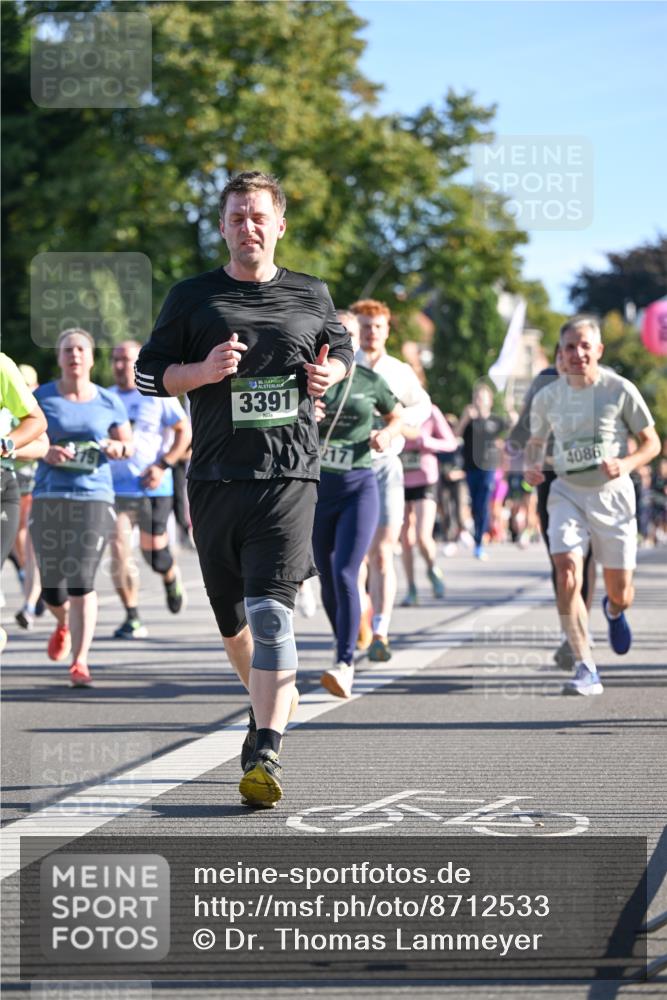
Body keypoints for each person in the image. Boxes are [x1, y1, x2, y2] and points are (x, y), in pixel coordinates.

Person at [136, 170, 353, 807]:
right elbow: (150, 376)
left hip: (288, 475)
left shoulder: (311, 294)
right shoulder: (192, 297)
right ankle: (262, 707)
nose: (247, 227)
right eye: (236, 217)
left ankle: (266, 747)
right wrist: (200, 372)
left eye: (258, 216)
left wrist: (329, 372)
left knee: (270, 612)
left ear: (279, 224)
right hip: (213, 478)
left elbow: (342, 349)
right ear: (223, 226)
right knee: (234, 623)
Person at [525, 315, 660, 696]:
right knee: (567, 568)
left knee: (621, 590)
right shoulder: (548, 396)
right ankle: (585, 666)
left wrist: (628, 463)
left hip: (612, 494)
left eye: (585, 346)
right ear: (560, 355)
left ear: (598, 350)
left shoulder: (619, 389)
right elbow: (536, 442)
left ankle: (614, 610)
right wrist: (533, 465)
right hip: (567, 492)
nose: (578, 353)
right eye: (570, 347)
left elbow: (652, 443)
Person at [31, 329, 133, 686]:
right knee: (53, 589)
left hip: (94, 496)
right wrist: (46, 450)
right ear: (59, 358)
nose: (74, 355)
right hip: (49, 496)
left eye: (80, 349)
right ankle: (62, 622)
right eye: (67, 349)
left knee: (81, 580)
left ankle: (80, 660)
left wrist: (119, 450)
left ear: (91, 358)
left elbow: (128, 444)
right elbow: (25, 439)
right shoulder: (41, 397)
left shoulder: (108, 400)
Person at [314, 310, 402, 698]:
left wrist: (387, 434)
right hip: (317, 491)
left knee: (346, 570)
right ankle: (346, 639)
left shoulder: (371, 381)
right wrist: (306, 414)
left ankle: (344, 661)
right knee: (327, 578)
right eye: (335, 335)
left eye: (348, 335)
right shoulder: (310, 380)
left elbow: (397, 417)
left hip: (359, 487)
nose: (341, 341)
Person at [350, 299, 431, 662]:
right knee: (353, 559)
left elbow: (423, 405)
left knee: (382, 553)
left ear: (387, 330)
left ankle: (381, 630)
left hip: (386, 467)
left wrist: (400, 425)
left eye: (377, 326)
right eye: (365, 326)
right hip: (349, 467)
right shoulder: (344, 364)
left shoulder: (398, 371)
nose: (371, 333)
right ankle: (361, 621)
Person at [509, 345, 596, 671]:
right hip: (549, 480)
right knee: (563, 562)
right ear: (557, 357)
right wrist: (516, 441)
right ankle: (572, 632)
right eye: (563, 354)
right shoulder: (543, 382)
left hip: (590, 483)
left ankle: (580, 629)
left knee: (585, 559)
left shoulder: (598, 383)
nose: (570, 359)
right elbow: (521, 430)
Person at [109, 340, 192, 639]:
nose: (120, 365)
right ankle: (132, 616)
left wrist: (164, 464)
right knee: (119, 551)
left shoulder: (156, 395)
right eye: (116, 359)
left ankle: (170, 576)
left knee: (154, 556)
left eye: (126, 359)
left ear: (138, 362)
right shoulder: (106, 398)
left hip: (153, 488)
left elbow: (185, 431)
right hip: (115, 490)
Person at [0, 354, 49, 649]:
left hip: (13, 486)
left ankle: (33, 596)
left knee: (29, 547)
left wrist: (7, 444)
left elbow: (39, 429)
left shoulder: (2, 366)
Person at [399, 402, 457, 606]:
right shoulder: (391, 408)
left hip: (425, 478)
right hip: (400, 478)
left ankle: (432, 569)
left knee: (423, 536)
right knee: (406, 537)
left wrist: (424, 440)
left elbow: (450, 443)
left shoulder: (429, 411)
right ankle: (411, 588)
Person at [455, 382, 508, 561]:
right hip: (471, 468)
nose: (479, 401)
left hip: (488, 468)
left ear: (490, 401)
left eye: (483, 398)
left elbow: (510, 432)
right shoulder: (469, 420)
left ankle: (479, 542)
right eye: (477, 398)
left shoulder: (495, 420)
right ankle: (476, 534)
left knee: (484, 503)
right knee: (474, 505)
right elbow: (455, 435)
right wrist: (464, 418)